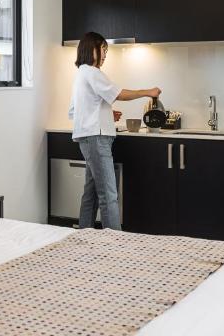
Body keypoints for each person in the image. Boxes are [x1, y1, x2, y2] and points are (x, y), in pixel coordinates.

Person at [68, 32, 161, 231]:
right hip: (96, 138)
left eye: (105, 50)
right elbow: (118, 93)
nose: (104, 54)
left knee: (92, 191)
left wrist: (107, 113)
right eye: (102, 49)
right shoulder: (92, 72)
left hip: (89, 136)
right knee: (108, 194)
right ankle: (115, 242)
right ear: (89, 48)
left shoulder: (81, 74)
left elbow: (75, 111)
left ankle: (83, 234)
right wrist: (147, 91)